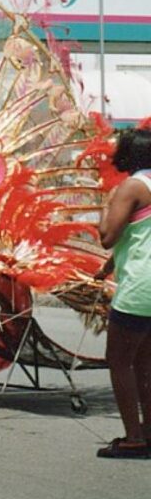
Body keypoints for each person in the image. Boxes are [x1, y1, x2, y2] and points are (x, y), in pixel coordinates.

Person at [96, 126, 151, 459]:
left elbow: (108, 237)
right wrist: (106, 268)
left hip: (140, 289)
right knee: (145, 365)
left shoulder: (132, 187)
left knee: (119, 361)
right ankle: (148, 433)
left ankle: (133, 436)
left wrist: (106, 207)